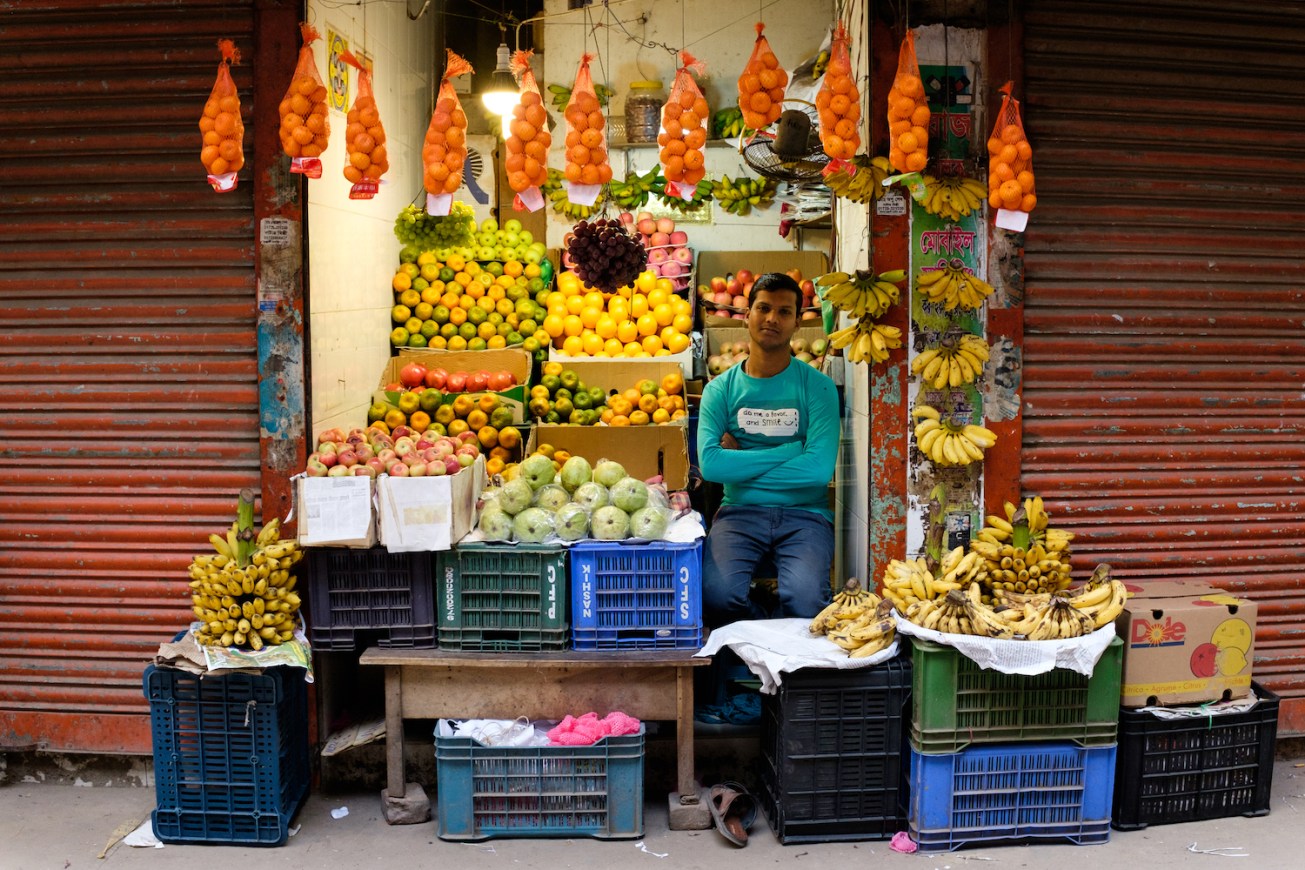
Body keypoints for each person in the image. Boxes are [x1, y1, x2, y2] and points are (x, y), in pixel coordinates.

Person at [697, 272, 839, 626]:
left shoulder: (818, 389)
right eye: (763, 308)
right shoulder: (720, 391)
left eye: (784, 312)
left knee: (806, 601)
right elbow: (712, 466)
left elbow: (818, 471)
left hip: (806, 516)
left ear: (797, 323)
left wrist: (740, 458)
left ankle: (784, 653)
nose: (772, 318)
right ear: (747, 315)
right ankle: (764, 629)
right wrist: (791, 451)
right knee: (715, 598)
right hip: (740, 513)